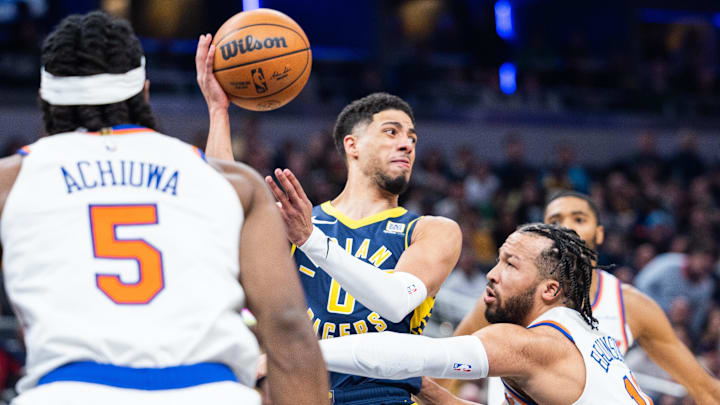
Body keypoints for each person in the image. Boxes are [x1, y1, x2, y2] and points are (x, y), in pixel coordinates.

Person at [0, 11, 328, 405]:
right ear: (144, 92)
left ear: (45, 100)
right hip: (210, 391)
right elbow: (289, 326)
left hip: (70, 390)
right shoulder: (234, 184)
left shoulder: (11, 179)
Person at [197, 37, 462, 404]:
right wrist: (217, 110)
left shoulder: (432, 231)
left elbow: (396, 302)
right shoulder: (298, 222)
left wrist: (311, 241)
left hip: (381, 398)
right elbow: (227, 205)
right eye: (392, 132)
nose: (407, 144)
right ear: (352, 146)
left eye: (412, 137)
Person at [318, 223, 654, 405]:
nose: (492, 274)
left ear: (549, 290)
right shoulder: (582, 333)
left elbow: (410, 353)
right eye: (498, 259)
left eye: (511, 264)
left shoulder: (534, 344)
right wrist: (422, 387)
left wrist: (302, 350)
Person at [446, 191, 720, 404]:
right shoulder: (507, 294)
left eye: (579, 219)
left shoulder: (631, 306)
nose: (567, 226)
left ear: (600, 233)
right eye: (555, 221)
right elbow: (447, 367)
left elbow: (704, 388)